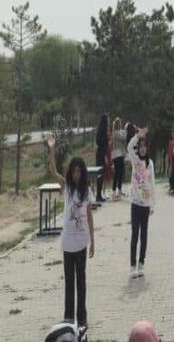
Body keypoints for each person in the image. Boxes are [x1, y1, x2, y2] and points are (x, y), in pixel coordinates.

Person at [46, 136, 94, 332]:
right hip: (67, 242)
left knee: (81, 282)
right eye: (73, 171)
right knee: (69, 282)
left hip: (81, 241)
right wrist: (52, 150)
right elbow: (53, 171)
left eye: (79, 171)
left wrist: (93, 241)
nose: (76, 174)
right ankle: (68, 318)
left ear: (82, 173)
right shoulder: (66, 187)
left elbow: (89, 216)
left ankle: (82, 319)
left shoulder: (87, 191)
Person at [127, 127, 155, 278]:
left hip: (145, 204)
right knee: (134, 234)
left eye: (145, 146)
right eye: (141, 146)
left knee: (144, 235)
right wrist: (137, 136)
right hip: (135, 203)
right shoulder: (135, 160)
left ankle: (141, 263)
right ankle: (132, 266)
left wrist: (152, 204)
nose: (143, 149)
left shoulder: (150, 164)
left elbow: (152, 184)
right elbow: (129, 147)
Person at [94, 114, 109, 203]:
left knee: (100, 175)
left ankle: (99, 194)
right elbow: (104, 145)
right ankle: (98, 195)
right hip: (102, 154)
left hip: (99, 154)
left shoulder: (99, 131)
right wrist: (105, 156)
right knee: (100, 175)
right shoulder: (103, 133)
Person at [112, 118, 127, 199]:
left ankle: (119, 190)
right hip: (117, 154)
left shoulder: (120, 132)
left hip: (121, 154)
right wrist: (125, 133)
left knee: (120, 173)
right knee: (117, 173)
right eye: (118, 123)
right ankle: (114, 190)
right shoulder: (115, 133)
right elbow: (123, 139)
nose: (119, 125)